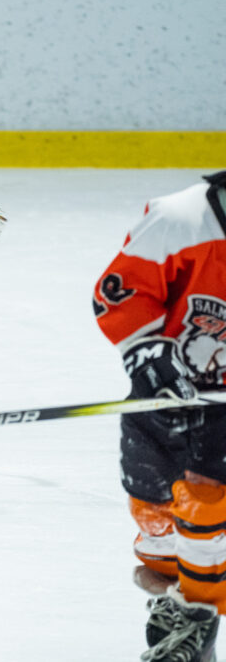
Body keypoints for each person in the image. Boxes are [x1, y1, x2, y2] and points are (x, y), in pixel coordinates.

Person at [93, 171, 226, 661]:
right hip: (162, 394)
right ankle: (176, 607)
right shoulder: (180, 220)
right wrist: (149, 357)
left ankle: (197, 625)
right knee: (154, 514)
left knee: (207, 507)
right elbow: (121, 293)